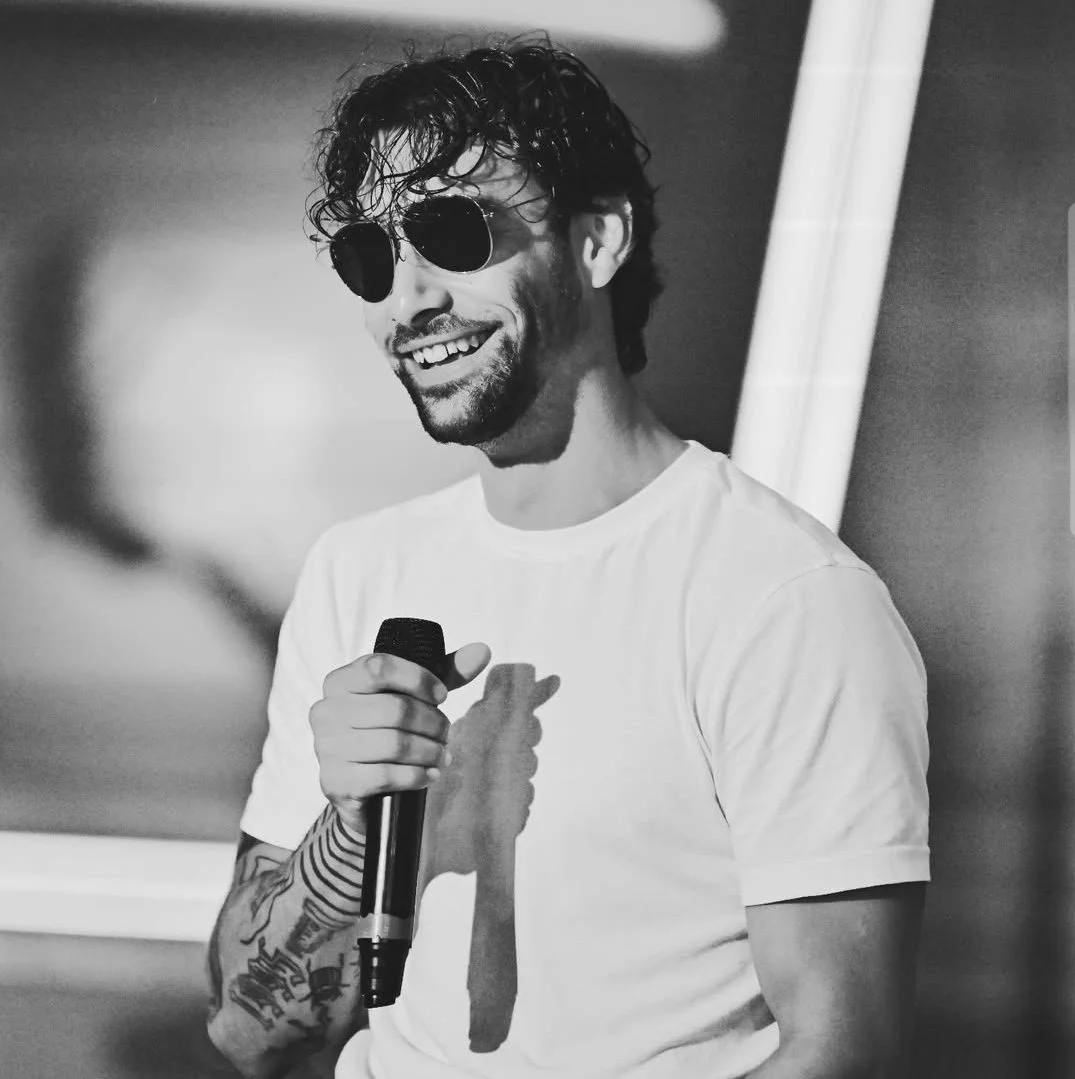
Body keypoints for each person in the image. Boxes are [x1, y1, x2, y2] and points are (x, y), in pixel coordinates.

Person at [206, 38, 930, 1079]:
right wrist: (347, 826)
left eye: (450, 233)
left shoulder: (779, 595)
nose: (406, 299)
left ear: (596, 242)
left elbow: (842, 1050)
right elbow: (251, 1032)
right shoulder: (358, 570)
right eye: (369, 257)